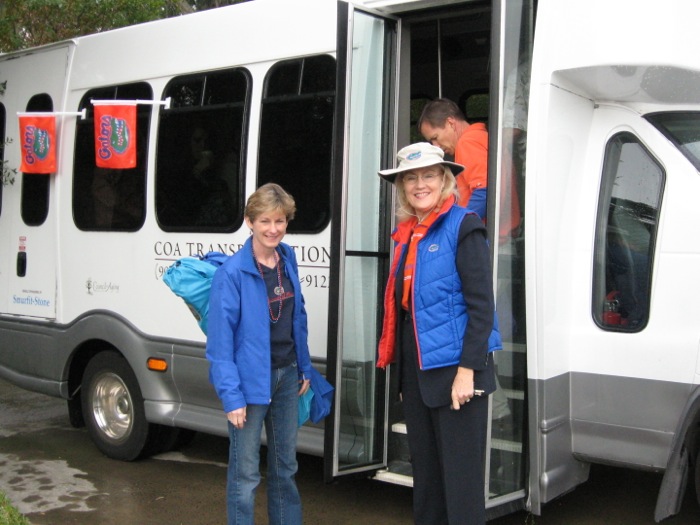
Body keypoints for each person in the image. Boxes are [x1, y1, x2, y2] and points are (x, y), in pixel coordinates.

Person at [376, 143, 501, 525]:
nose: (419, 184)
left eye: (428, 175)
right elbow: (403, 313)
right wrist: (403, 378)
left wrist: (468, 371)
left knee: (461, 490)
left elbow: (482, 309)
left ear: (445, 180)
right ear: (401, 187)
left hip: (457, 373)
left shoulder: (464, 226)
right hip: (419, 373)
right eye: (410, 178)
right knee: (427, 484)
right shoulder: (407, 234)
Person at [206, 183, 312, 525]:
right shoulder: (232, 273)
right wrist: (231, 396)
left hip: (287, 375)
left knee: (285, 468)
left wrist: (305, 367)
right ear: (250, 222)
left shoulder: (287, 258)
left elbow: (299, 316)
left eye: (280, 221)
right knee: (245, 474)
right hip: (250, 384)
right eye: (265, 221)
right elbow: (220, 343)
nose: (273, 229)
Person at [417, 98, 488, 217]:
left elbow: (484, 191)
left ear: (451, 123)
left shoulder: (467, 142)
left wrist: (461, 226)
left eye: (435, 137)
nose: (436, 146)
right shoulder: (481, 136)